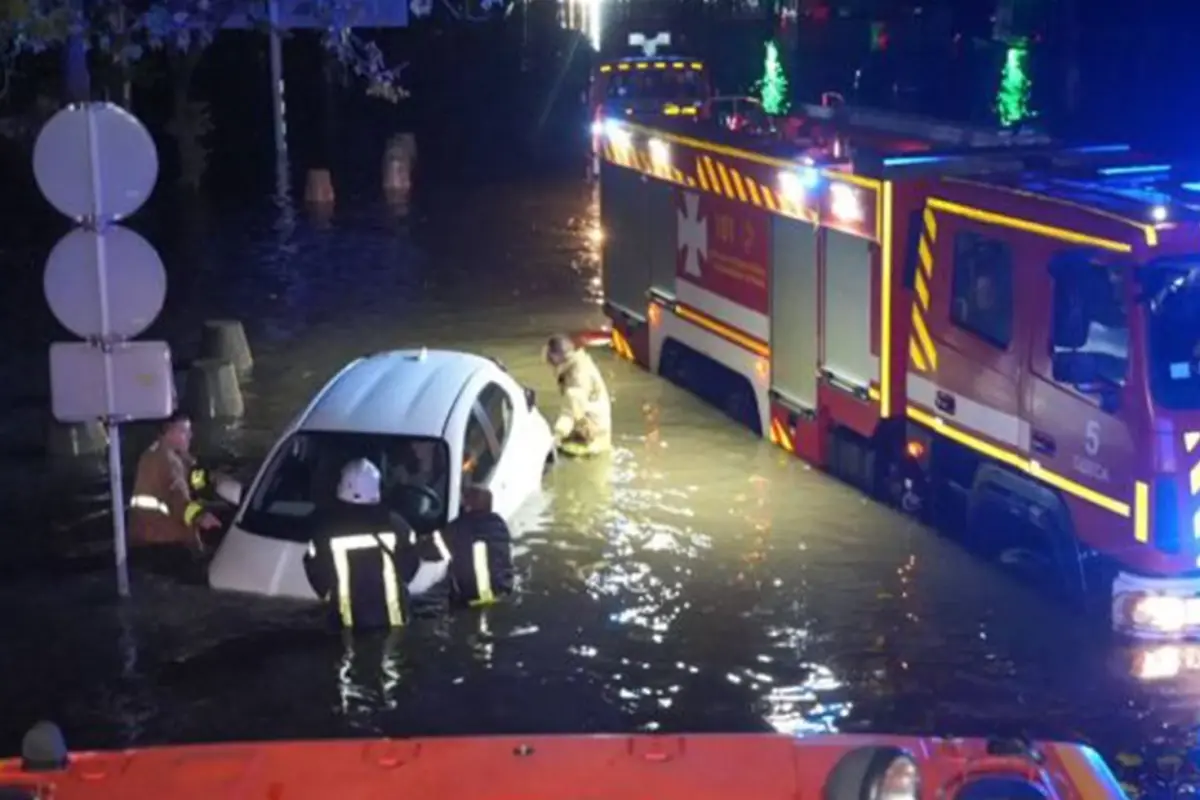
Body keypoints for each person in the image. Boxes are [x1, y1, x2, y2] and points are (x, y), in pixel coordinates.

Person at [304, 458, 452, 629]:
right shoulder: (396, 523)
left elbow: (316, 572)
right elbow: (409, 565)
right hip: (393, 618)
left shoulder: (325, 530)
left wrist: (333, 594)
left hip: (346, 622)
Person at [129, 410, 221, 552]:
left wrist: (209, 481)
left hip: (147, 539)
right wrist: (201, 517)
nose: (190, 436)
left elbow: (195, 480)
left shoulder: (157, 453)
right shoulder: (167, 462)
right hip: (167, 543)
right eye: (184, 431)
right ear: (169, 432)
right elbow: (178, 500)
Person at [444, 485, 515, 607]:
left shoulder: (455, 528)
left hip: (467, 596)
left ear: (468, 504)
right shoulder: (499, 525)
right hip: (499, 591)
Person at [544, 333, 612, 457]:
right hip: (596, 425)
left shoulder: (577, 376)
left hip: (593, 436)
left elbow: (571, 409)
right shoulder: (577, 364)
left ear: (555, 357)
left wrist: (556, 436)